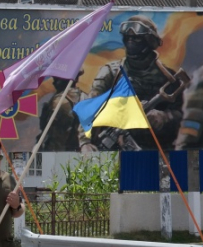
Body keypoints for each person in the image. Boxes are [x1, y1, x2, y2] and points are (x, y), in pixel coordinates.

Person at [79, 15, 184, 152]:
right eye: (127, 38)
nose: (131, 41)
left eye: (136, 38)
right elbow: (90, 108)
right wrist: (85, 142)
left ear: (149, 41)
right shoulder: (112, 72)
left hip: (158, 151)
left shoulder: (167, 77)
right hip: (117, 149)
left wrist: (164, 117)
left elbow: (183, 116)